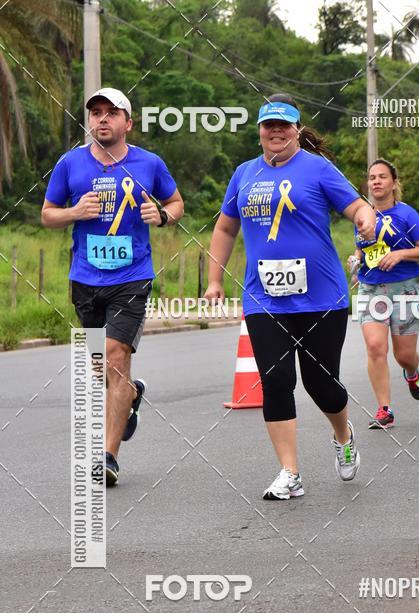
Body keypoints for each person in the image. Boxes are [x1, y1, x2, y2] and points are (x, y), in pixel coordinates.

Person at [205, 93, 376, 500]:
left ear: (296, 130)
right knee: (277, 380)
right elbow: (225, 229)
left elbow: (357, 208)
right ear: (260, 131)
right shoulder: (243, 174)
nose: (276, 132)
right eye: (269, 125)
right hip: (264, 299)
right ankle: (289, 472)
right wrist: (214, 281)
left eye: (284, 125)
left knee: (322, 385)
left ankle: (343, 434)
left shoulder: (318, 169)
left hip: (323, 300)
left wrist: (367, 221)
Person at [42, 88, 184, 485]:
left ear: (128, 123)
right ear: (89, 122)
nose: (102, 119)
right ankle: (132, 396)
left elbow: (176, 203)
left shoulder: (149, 163)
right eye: (96, 113)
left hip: (132, 277)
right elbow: (47, 215)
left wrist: (161, 216)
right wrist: (74, 212)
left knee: (116, 354)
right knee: (101, 366)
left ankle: (108, 455)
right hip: (85, 278)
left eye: (111, 113)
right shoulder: (70, 163)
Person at [347, 159, 419, 429]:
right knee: (375, 347)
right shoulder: (362, 215)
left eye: (382, 177)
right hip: (371, 288)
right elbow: (363, 249)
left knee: (403, 355)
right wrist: (356, 261)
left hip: (405, 289)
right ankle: (384, 409)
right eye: (372, 177)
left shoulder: (407, 215)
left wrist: (399, 255)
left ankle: (411, 372)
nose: (375, 181)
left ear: (394, 183)